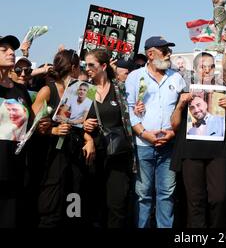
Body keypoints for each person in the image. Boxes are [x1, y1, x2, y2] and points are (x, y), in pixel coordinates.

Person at [171, 51, 226, 228]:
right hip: (191, 152)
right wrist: (180, 105)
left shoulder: (222, 91)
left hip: (218, 152)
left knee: (219, 197)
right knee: (195, 200)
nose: (207, 70)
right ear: (194, 69)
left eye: (211, 66)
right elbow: (175, 125)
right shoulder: (186, 91)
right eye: (203, 67)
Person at [125, 36, 185, 228]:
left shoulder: (177, 77)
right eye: (165, 51)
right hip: (144, 145)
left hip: (169, 145)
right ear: (150, 54)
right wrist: (144, 134)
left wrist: (173, 134)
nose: (169, 55)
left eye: (169, 51)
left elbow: (183, 111)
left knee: (167, 193)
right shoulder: (135, 77)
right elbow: (130, 110)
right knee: (143, 194)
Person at [32, 49, 90, 228]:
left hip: (75, 151)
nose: (81, 69)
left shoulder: (84, 89)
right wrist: (54, 131)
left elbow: (84, 118)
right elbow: (32, 126)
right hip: (53, 154)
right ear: (73, 67)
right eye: (79, 66)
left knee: (75, 194)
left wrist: (89, 138)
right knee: (52, 197)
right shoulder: (47, 89)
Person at [83, 49, 134, 228]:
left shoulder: (119, 89)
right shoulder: (86, 90)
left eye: (91, 65)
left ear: (104, 66)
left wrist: (139, 108)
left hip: (117, 153)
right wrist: (85, 129)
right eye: (85, 65)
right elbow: (73, 119)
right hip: (93, 155)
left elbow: (130, 116)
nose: (87, 68)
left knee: (117, 203)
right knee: (95, 203)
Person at [0, 35, 34, 227]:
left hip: (16, 166)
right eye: (4, 50)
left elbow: (29, 125)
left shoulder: (20, 91)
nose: (12, 53)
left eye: (12, 50)